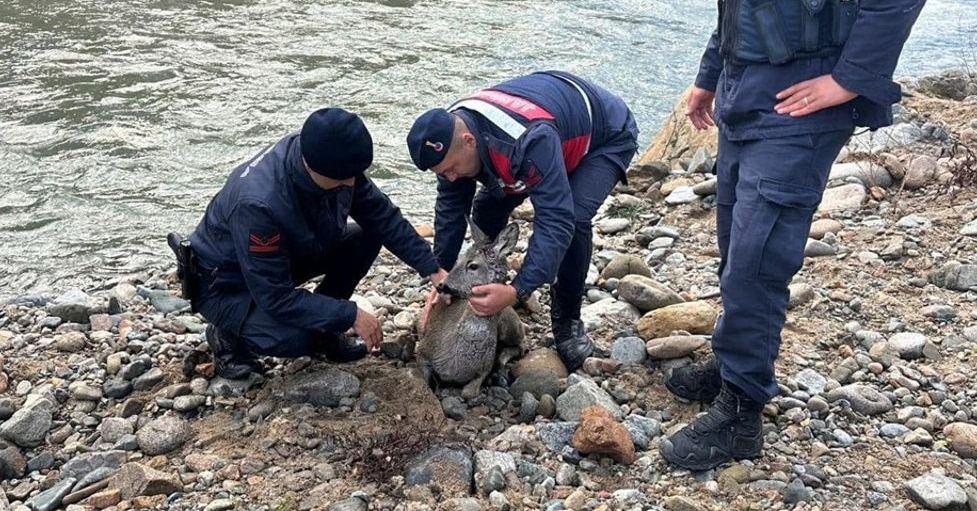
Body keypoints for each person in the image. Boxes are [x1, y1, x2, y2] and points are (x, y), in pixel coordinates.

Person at [659, 0, 938, 472]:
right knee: (734, 244)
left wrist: (850, 80)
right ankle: (732, 366)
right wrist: (706, 76)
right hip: (745, 96)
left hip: (801, 108)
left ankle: (742, 414)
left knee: (759, 255)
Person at [177, 107, 446, 379]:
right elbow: (275, 296)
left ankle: (324, 328)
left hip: (287, 252)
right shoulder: (259, 205)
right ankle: (227, 336)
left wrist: (432, 267)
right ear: (314, 168)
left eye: (356, 174)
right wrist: (348, 314)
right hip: (227, 285)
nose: (353, 183)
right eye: (345, 178)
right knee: (298, 340)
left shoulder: (332, 157)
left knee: (368, 235)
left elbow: (382, 216)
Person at [406, 71, 639, 372]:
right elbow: (452, 208)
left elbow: (556, 220)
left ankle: (567, 320)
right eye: (442, 173)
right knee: (488, 206)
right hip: (551, 131)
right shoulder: (449, 135)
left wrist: (519, 289)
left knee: (575, 218)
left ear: (468, 140)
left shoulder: (527, 141)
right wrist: (444, 276)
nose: (450, 177)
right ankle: (486, 282)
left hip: (604, 136)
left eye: (451, 168)